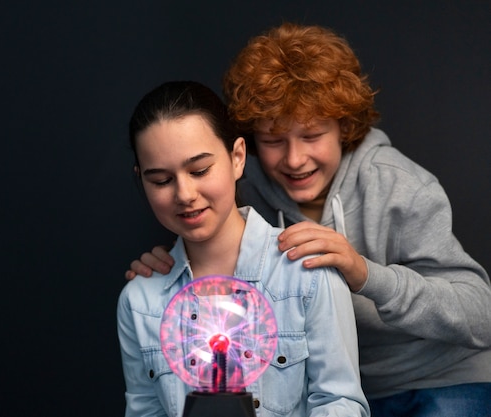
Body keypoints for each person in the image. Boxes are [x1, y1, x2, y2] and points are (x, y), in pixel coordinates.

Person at [124, 23, 491, 417]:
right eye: (274, 140)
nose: (294, 159)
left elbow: (481, 313)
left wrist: (365, 274)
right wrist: (170, 269)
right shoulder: (247, 191)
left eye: (312, 135)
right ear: (246, 150)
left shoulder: (399, 187)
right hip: (340, 386)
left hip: (440, 377)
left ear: (344, 128)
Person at [117, 80, 370, 417]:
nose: (185, 193)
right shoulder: (139, 301)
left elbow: (341, 402)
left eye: (200, 170)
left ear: (237, 157)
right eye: (161, 180)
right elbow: (145, 410)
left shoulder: (306, 274)